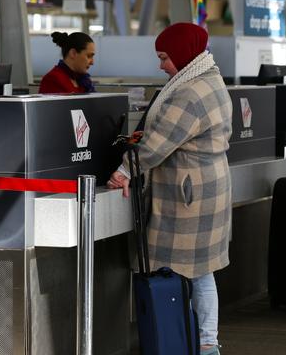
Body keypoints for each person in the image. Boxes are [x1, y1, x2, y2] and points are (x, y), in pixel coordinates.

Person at [107, 22, 232, 355]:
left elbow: (157, 145)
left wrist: (123, 170)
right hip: (206, 187)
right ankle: (205, 343)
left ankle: (180, 342)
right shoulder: (207, 78)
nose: (161, 65)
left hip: (187, 195)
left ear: (182, 54)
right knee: (202, 272)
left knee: (177, 271)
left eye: (164, 57)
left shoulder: (191, 92)